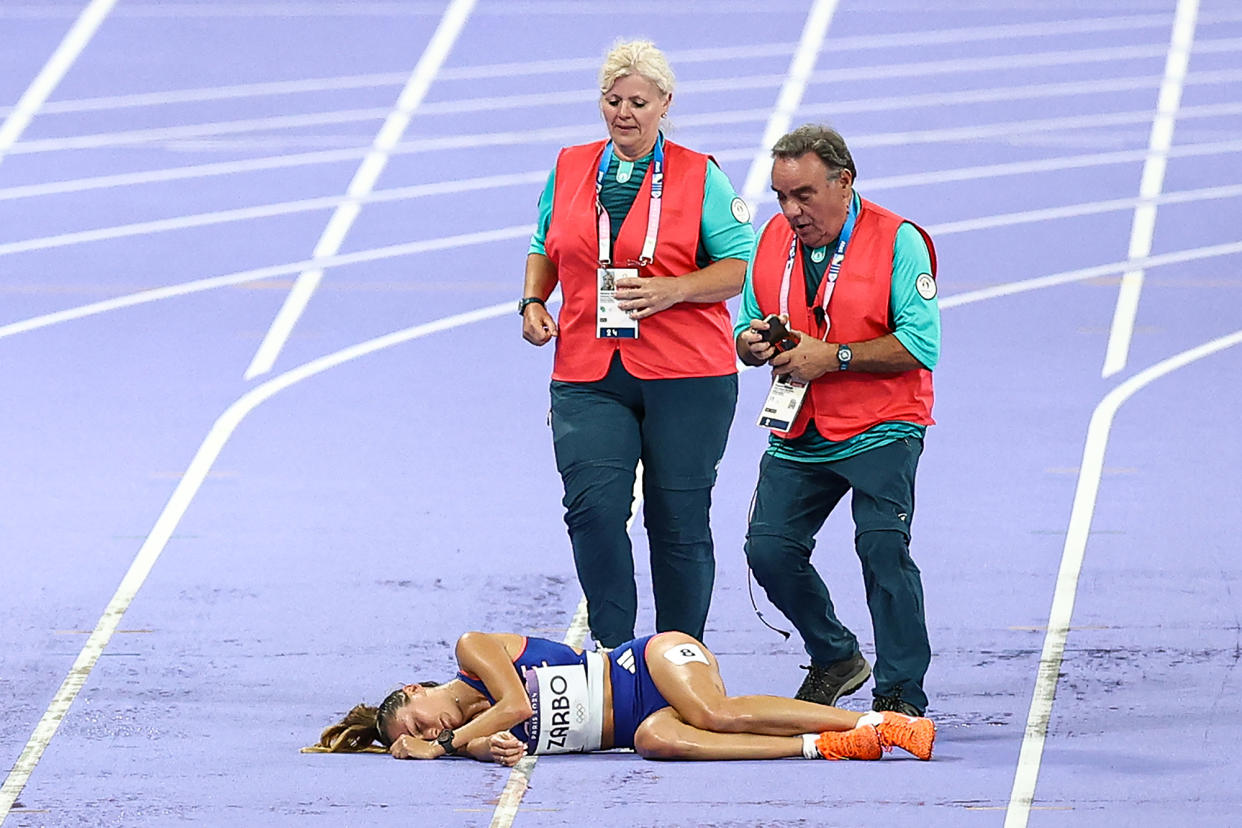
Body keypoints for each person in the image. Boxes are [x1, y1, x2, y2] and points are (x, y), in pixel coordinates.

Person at [518, 40, 755, 649]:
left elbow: (743, 265)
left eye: (638, 102)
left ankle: (679, 658)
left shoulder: (700, 173)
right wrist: (532, 302)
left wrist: (674, 290)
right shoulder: (570, 166)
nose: (624, 113)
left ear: (665, 104)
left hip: (687, 375)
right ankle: (613, 653)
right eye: (613, 100)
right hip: (588, 369)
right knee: (593, 511)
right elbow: (545, 244)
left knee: (676, 521)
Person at [735, 125, 940, 717]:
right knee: (768, 550)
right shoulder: (772, 239)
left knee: (881, 547)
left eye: (803, 195)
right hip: (800, 425)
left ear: (843, 182)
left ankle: (900, 691)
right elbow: (750, 322)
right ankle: (835, 655)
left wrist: (837, 356)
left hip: (882, 423)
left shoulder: (898, 241)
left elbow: (921, 345)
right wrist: (753, 345)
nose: (791, 210)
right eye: (780, 196)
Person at [312, 630, 935, 763]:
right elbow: (501, 740)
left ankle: (882, 720)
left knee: (712, 712)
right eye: (421, 738)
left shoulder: (473, 651)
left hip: (650, 662)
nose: (430, 731)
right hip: (644, 716)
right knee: (656, 741)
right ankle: (823, 745)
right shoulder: (473, 740)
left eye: (418, 722)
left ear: (416, 691)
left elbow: (519, 708)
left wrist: (445, 743)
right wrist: (472, 749)